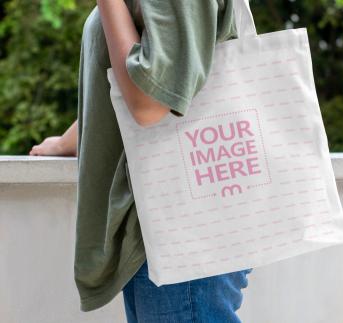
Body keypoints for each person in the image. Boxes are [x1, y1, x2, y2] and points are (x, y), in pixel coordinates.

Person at [30, 0, 253, 321]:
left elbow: (150, 102)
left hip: (181, 228)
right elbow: (162, 76)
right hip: (164, 220)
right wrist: (72, 139)